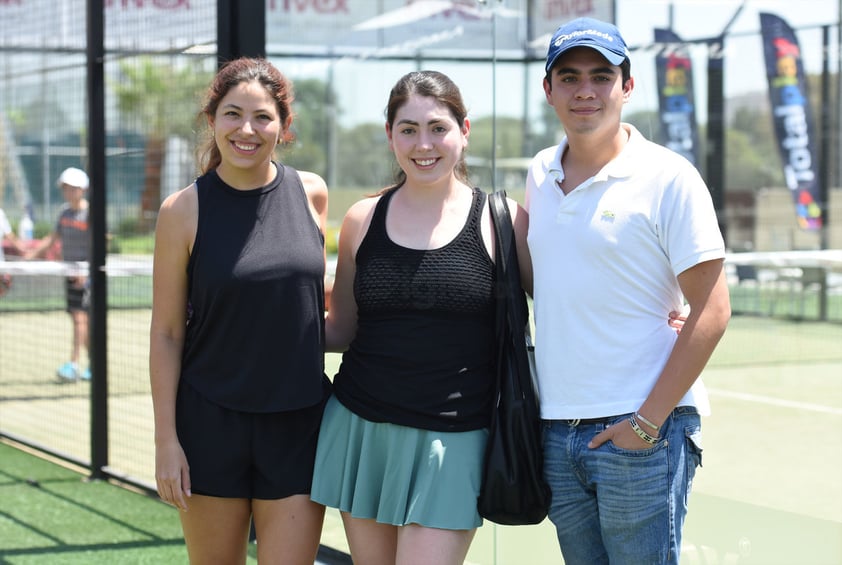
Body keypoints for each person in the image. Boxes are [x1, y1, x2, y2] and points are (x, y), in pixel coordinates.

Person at [525, 17, 732, 564]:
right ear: (548, 90)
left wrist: (646, 424)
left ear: (627, 86)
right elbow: (547, 276)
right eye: (568, 77)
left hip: (643, 429)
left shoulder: (670, 177)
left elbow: (711, 309)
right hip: (556, 430)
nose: (585, 90)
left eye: (601, 75)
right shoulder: (541, 172)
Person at [310, 70, 531, 565]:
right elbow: (343, 329)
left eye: (437, 127)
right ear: (390, 135)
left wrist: (655, 314)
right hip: (362, 430)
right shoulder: (361, 220)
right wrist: (247, 322)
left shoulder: (505, 221)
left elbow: (563, 309)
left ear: (464, 130)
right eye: (408, 129)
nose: (423, 143)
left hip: (454, 441)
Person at [148, 57, 331, 565]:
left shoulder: (311, 193)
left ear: (284, 126)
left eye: (262, 117)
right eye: (232, 114)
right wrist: (167, 440)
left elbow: (314, 311)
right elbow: (165, 333)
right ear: (212, 120)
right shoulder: (182, 210)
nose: (246, 130)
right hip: (208, 425)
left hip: (298, 424)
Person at [27, 168, 92, 382]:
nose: (67, 192)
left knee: (79, 319)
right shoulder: (65, 213)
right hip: (69, 273)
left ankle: (73, 365)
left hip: (86, 277)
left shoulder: (90, 214)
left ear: (82, 189)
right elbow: (53, 237)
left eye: (72, 188)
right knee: (80, 319)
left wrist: (86, 270)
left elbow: (98, 244)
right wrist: (30, 256)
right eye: (65, 188)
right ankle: (94, 365)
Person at [0, 207, 25, 296]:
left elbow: (10, 236)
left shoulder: (0, 213)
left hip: (1, 266)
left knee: (3, 288)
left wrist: (24, 251)